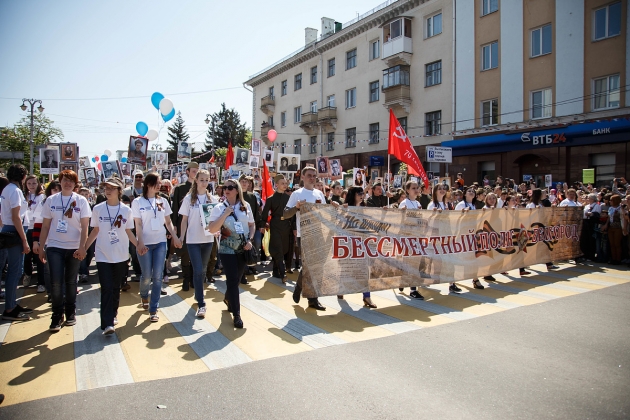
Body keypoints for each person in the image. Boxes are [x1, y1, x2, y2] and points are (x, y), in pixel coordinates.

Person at [38, 170, 92, 332]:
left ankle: (70, 312)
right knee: (55, 282)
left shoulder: (81, 201)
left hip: (74, 247)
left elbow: (85, 227)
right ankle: (56, 315)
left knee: (70, 281)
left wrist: (83, 247)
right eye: (65, 180)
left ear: (75, 184)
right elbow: (45, 226)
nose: (67, 183)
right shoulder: (51, 200)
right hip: (55, 246)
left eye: (71, 181)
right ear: (60, 182)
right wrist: (41, 247)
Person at [85, 177, 137, 335]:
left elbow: (128, 231)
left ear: (119, 191)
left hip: (120, 255)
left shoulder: (126, 210)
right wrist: (84, 248)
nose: (108, 191)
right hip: (102, 255)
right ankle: (107, 323)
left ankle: (113, 313)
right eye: (106, 188)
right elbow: (95, 231)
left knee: (116, 288)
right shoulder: (98, 209)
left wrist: (138, 245)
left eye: (112, 188)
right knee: (106, 288)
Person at [132, 173, 181, 322]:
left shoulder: (163, 201)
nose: (160, 185)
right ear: (148, 184)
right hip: (145, 243)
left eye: (160, 183)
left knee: (158, 276)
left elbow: (168, 222)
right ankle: (144, 295)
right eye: (157, 183)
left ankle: (154, 308)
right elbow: (138, 224)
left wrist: (175, 236)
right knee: (146, 275)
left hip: (160, 242)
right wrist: (139, 242)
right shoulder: (137, 202)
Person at [208, 179, 256, 328]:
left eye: (230, 187)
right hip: (226, 249)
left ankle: (229, 299)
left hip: (243, 248)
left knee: (236, 279)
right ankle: (237, 315)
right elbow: (211, 228)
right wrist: (225, 214)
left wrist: (250, 240)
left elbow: (251, 225)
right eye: (224, 187)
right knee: (232, 279)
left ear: (237, 190)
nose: (226, 189)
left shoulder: (245, 206)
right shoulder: (218, 207)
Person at [285, 166, 328, 311]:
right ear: (302, 177)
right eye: (309, 175)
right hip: (304, 234)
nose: (312, 178)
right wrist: (296, 207)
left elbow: (325, 212)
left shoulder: (319, 194)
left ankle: (300, 287)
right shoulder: (296, 194)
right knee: (310, 266)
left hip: (319, 233)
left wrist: (334, 206)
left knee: (318, 266)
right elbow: (285, 214)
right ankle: (312, 298)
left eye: (314, 175)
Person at [178, 169, 218, 317]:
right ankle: (202, 304)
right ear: (196, 180)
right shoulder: (189, 199)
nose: (204, 182)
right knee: (198, 270)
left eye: (207, 180)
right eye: (202, 179)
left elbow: (215, 220)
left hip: (207, 239)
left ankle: (198, 294)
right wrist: (181, 237)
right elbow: (184, 220)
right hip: (193, 240)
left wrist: (217, 231)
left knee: (203, 269)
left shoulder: (212, 199)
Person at [1, 165, 33, 321]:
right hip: (14, 232)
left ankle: (12, 303)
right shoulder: (15, 190)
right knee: (15, 271)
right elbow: (16, 217)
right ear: (22, 176)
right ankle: (9, 308)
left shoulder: (8, 189)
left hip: (11, 230)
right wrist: (24, 239)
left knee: (15, 271)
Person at [171, 162, 199, 290]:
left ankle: (193, 278)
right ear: (187, 172)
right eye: (193, 171)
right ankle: (186, 279)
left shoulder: (201, 188)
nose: (195, 173)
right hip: (183, 225)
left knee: (195, 253)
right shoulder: (180, 188)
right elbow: (175, 208)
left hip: (196, 226)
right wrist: (174, 226)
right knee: (185, 253)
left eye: (197, 171)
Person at [261, 174, 292, 280]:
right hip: (275, 225)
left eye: (285, 183)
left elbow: (292, 213)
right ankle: (283, 273)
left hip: (286, 226)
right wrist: (262, 225)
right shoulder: (270, 199)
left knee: (283, 249)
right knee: (278, 247)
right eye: (282, 183)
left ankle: (275, 271)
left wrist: (294, 228)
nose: (284, 185)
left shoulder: (289, 198)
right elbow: (265, 213)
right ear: (277, 185)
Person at [397, 180, 424, 299]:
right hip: (407, 237)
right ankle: (413, 289)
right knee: (409, 262)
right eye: (413, 188)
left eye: (417, 187)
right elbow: (400, 220)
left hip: (417, 236)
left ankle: (406, 282)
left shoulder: (418, 203)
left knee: (415, 262)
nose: (416, 190)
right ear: (407, 190)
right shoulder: (404, 203)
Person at [21, 175, 46, 290]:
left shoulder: (41, 197)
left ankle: (41, 282)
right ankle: (27, 274)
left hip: (38, 229)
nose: (31, 186)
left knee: (38, 255)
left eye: (34, 183)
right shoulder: (23, 196)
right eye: (29, 183)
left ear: (38, 184)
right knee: (26, 254)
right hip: (26, 228)